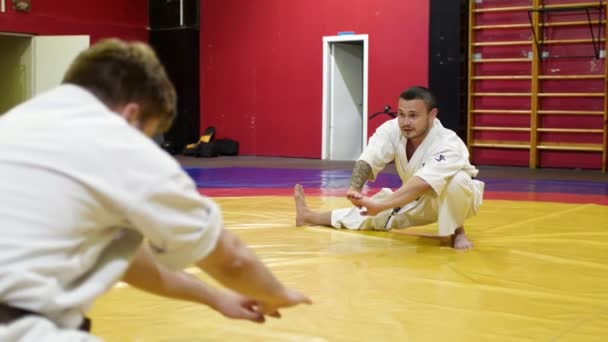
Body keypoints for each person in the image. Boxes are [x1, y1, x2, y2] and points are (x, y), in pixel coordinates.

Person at [0, 38, 310, 341]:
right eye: (149, 134)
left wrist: (215, 297)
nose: (147, 144)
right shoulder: (116, 141)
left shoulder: (16, 124)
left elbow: (131, 262)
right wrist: (275, 294)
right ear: (131, 115)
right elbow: (230, 257)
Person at [294, 86, 484, 250]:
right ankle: (308, 217)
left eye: (413, 116)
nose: (406, 122)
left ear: (432, 115)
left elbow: (423, 182)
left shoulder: (448, 144)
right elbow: (370, 156)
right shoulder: (392, 129)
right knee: (374, 217)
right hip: (417, 198)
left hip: (458, 197)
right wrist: (355, 187)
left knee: (456, 181)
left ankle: (457, 231)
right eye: (401, 114)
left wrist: (382, 204)